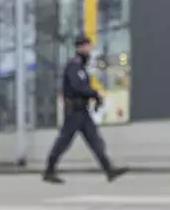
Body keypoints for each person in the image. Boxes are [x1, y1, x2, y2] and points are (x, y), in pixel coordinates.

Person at [42, 36, 128, 184]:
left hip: (83, 111)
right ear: (80, 48)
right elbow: (78, 86)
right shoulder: (73, 66)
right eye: (87, 47)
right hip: (73, 112)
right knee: (63, 141)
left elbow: (84, 87)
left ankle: (109, 170)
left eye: (90, 46)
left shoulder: (81, 67)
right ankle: (49, 171)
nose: (89, 50)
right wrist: (95, 93)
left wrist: (95, 97)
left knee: (95, 140)